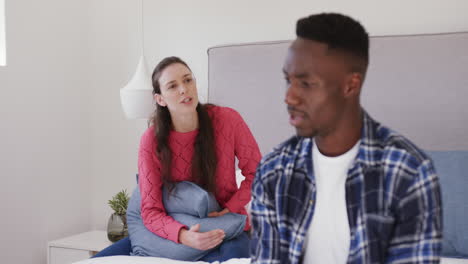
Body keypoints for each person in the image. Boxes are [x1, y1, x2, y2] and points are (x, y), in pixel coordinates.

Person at [250, 13, 442, 264]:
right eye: (288, 80)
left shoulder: (407, 172)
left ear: (350, 86)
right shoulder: (273, 171)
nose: (289, 97)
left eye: (306, 83)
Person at [94, 56, 261, 261]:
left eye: (188, 80)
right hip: (169, 229)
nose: (184, 89)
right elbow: (151, 210)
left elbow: (258, 173)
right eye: (172, 86)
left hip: (224, 226)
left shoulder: (227, 120)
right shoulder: (151, 140)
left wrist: (231, 207)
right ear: (160, 99)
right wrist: (183, 236)